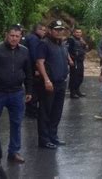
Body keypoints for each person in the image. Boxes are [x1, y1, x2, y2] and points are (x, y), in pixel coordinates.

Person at [0, 24, 33, 163]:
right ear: (6, 35)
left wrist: (29, 90)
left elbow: (28, 71)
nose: (14, 39)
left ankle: (14, 152)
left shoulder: (24, 51)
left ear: (20, 37)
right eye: (12, 35)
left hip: (17, 93)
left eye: (17, 36)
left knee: (16, 123)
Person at [36, 20, 70, 149]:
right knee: (45, 112)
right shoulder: (44, 44)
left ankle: (53, 136)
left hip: (61, 82)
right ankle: (44, 140)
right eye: (56, 29)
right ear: (50, 30)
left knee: (57, 112)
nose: (59, 32)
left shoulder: (62, 44)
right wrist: (46, 80)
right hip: (50, 83)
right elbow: (40, 63)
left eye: (61, 29)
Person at [24, 23, 46, 118]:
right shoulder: (34, 39)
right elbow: (34, 54)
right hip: (31, 68)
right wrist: (37, 68)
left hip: (27, 66)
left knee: (31, 88)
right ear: (38, 30)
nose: (44, 32)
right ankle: (31, 111)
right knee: (33, 90)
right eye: (43, 30)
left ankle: (31, 110)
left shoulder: (29, 37)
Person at [67, 27, 88, 98]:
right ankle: (72, 93)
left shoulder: (81, 40)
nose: (78, 34)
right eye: (77, 32)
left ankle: (77, 90)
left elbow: (84, 48)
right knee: (74, 77)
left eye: (80, 32)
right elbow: (67, 50)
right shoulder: (71, 40)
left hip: (80, 60)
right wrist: (70, 59)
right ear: (74, 33)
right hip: (74, 61)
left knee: (80, 77)